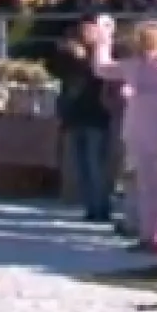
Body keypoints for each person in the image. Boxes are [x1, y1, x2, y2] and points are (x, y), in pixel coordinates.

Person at [89, 17, 157, 256]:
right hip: (137, 130)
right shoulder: (134, 64)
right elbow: (103, 68)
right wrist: (103, 39)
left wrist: (140, 94)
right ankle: (146, 234)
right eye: (143, 37)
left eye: (151, 37)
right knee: (142, 184)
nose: (147, 42)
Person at [51, 23, 114, 222]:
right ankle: (90, 206)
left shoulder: (102, 55)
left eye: (90, 30)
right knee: (82, 167)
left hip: (96, 116)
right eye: (84, 30)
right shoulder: (68, 56)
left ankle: (101, 206)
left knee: (95, 165)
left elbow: (103, 76)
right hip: (75, 116)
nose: (86, 33)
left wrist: (86, 58)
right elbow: (54, 70)